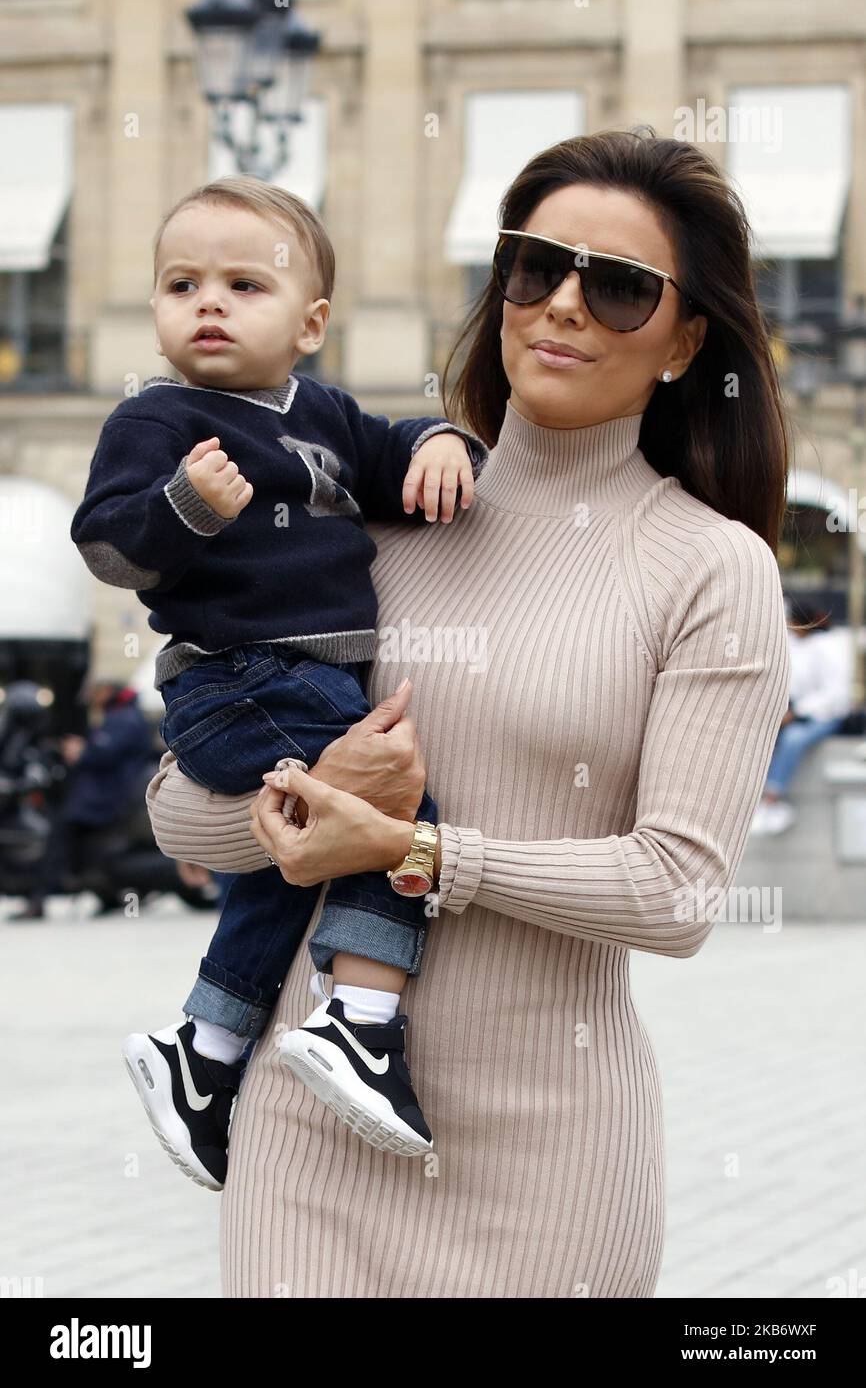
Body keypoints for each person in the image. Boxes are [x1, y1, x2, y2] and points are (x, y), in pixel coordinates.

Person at [145, 128, 792, 1298]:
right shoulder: (366, 525)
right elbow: (174, 814)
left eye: (620, 285)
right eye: (532, 267)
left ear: (684, 339)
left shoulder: (708, 569)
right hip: (308, 1137)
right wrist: (311, 794)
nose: (562, 306)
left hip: (548, 1156)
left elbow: (677, 890)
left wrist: (414, 850)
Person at [70, 176, 489, 1188]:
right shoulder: (159, 421)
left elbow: (403, 450)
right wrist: (185, 506)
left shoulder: (327, 414)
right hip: (232, 680)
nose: (207, 303)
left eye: (242, 285)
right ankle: (360, 1019)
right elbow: (109, 548)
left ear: (309, 324)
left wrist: (440, 442)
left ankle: (203, 1057)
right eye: (182, 283)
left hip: (308, 686)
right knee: (389, 809)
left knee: (284, 865)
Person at [9, 681, 153, 921]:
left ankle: (38, 901)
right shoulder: (123, 715)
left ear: (107, 691)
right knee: (86, 848)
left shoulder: (123, 718)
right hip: (104, 796)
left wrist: (80, 751)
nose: (92, 699)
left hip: (103, 799)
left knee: (58, 840)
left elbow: (102, 753)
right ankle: (107, 894)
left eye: (95, 693)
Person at [749, 599, 852, 836]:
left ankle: (772, 798)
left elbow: (835, 694)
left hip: (825, 715)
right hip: (794, 712)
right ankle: (756, 797)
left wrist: (798, 712)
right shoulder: (794, 645)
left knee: (794, 738)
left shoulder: (827, 646)